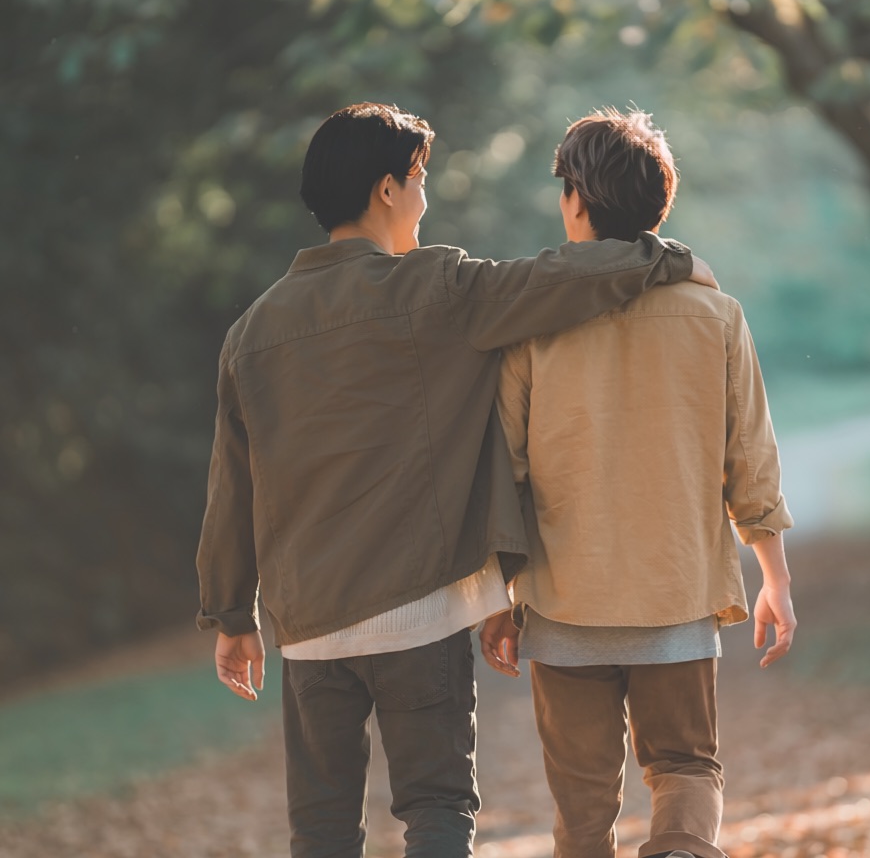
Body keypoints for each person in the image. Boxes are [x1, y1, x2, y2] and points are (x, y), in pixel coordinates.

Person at [193, 101, 715, 858]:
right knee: (437, 810)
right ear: (385, 190)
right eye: (419, 180)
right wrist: (667, 260)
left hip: (309, 626)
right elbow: (557, 279)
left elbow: (231, 485)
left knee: (322, 827)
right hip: (420, 615)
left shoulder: (252, 334)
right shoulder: (434, 289)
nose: (424, 198)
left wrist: (231, 614)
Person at [481, 108, 796, 858]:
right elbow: (750, 458)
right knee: (686, 768)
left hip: (562, 606)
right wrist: (775, 579)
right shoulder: (715, 314)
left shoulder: (532, 325)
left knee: (583, 811)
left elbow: (504, 472)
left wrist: (494, 598)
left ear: (577, 200)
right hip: (675, 598)